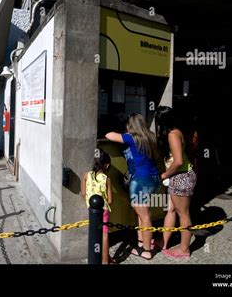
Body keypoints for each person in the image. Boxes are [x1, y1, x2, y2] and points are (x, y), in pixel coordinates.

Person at [105, 113, 160, 260]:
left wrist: (123, 131)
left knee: (144, 215)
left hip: (141, 181)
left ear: (131, 125)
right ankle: (143, 243)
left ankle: (147, 250)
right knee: (142, 213)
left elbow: (109, 135)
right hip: (153, 179)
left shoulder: (131, 138)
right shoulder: (150, 137)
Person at [155, 106, 197, 259]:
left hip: (181, 177)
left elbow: (178, 161)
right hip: (178, 177)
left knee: (183, 214)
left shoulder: (172, 134)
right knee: (171, 211)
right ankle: (164, 242)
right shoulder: (175, 132)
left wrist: (164, 174)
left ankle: (184, 249)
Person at [81, 151, 113, 264]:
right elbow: (110, 200)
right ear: (107, 165)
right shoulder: (106, 179)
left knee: (94, 233)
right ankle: (105, 261)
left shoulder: (85, 175)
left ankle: (95, 257)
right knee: (104, 235)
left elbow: (84, 193)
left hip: (92, 209)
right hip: (103, 209)